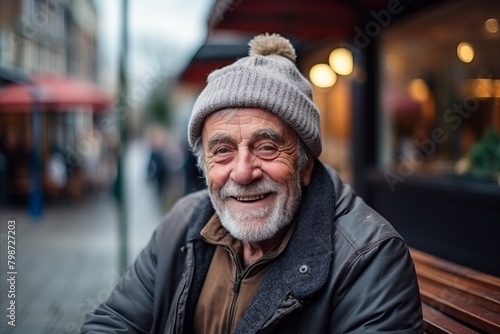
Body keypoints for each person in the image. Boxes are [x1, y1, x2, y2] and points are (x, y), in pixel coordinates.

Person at [81, 33, 423, 333]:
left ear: (305, 165)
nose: (243, 173)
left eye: (267, 147)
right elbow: (114, 321)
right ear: (204, 164)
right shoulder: (183, 222)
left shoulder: (370, 258)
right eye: (223, 150)